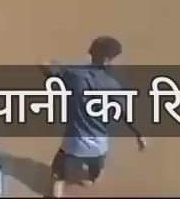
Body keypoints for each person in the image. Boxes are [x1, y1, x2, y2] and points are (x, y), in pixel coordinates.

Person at [46, 36, 146, 198]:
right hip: (99, 146)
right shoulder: (114, 86)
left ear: (91, 52)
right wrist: (138, 134)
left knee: (58, 176)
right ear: (108, 60)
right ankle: (89, 182)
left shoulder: (74, 74)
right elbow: (124, 114)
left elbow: (47, 67)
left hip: (74, 143)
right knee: (94, 177)